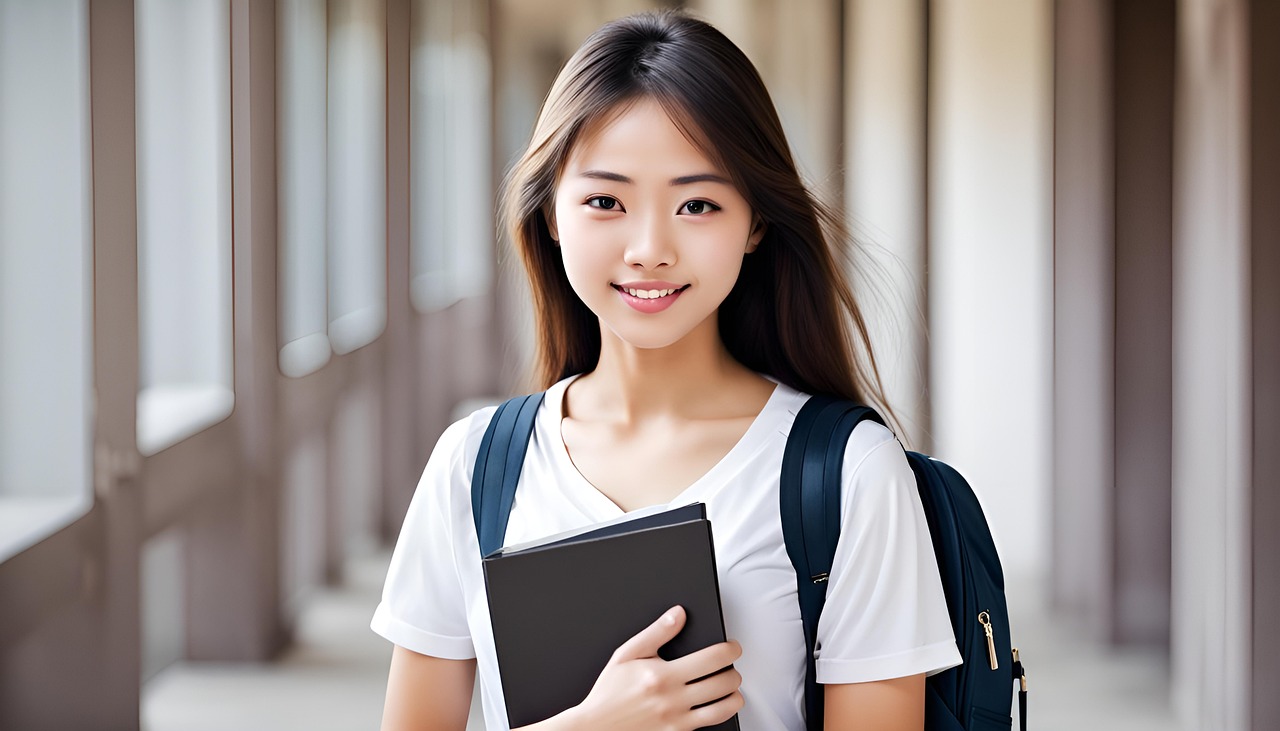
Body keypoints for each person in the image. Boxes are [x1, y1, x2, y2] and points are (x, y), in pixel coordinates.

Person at [372, 10, 960, 731]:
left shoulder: (849, 474)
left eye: (697, 203)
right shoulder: (475, 467)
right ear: (552, 214)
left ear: (755, 223)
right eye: (605, 201)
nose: (649, 248)